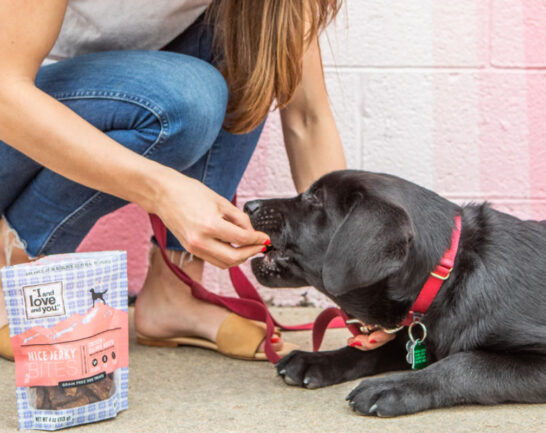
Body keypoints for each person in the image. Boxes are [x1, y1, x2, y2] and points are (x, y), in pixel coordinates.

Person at [0, 0, 345, 362]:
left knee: (252, 39)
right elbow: (6, 93)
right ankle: (12, 269)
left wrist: (349, 272)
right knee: (188, 101)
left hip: (93, 97)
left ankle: (174, 291)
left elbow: (308, 118)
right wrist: (163, 191)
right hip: (14, 106)